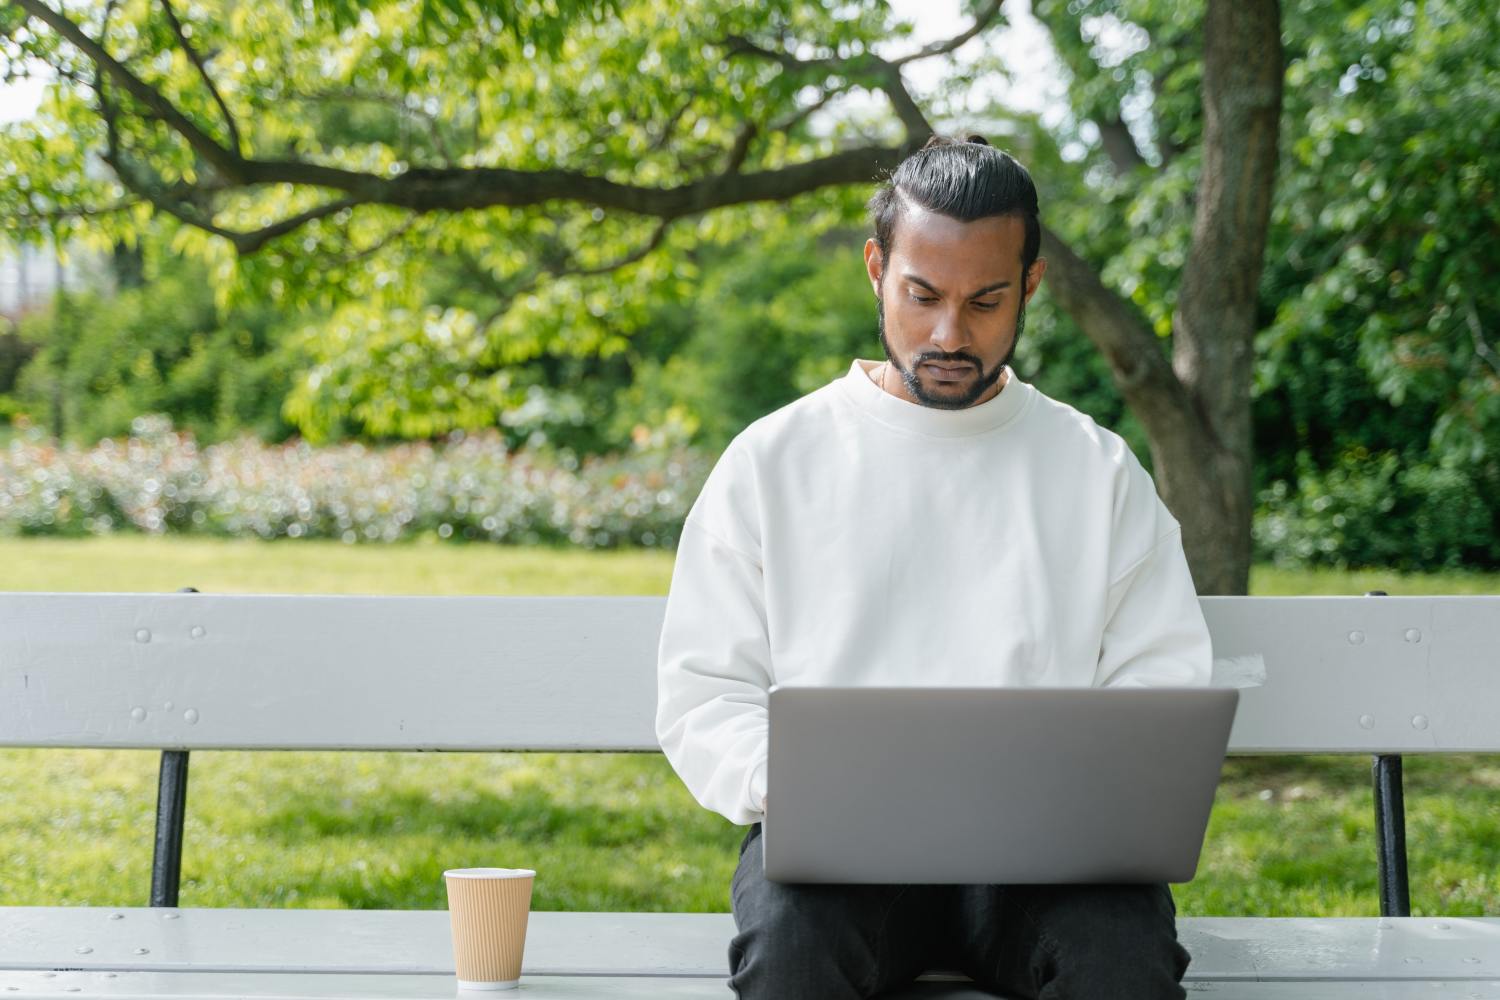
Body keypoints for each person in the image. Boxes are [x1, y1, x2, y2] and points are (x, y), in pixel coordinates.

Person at [655, 133, 1212, 1000]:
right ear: (876, 267)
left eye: (986, 300)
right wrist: (798, 788)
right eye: (922, 295)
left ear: (1029, 283)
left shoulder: (1094, 470)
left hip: (1049, 860)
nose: (949, 334)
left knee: (1122, 964)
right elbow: (704, 689)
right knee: (791, 957)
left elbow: (1162, 679)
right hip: (838, 855)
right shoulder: (776, 460)